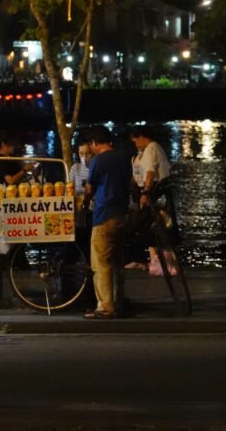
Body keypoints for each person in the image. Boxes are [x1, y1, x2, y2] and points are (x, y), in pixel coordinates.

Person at [83, 126, 132, 319]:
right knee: (117, 262)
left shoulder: (98, 160)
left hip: (104, 215)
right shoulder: (123, 158)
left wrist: (85, 203)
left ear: (94, 143)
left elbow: (89, 188)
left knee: (100, 262)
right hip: (122, 213)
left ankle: (105, 307)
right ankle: (119, 302)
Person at [128, 125, 176, 276]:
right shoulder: (150, 150)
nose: (136, 144)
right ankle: (156, 261)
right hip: (157, 192)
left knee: (151, 225)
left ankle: (159, 261)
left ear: (142, 137)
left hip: (153, 192)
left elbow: (150, 172)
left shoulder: (151, 149)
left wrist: (146, 191)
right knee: (156, 225)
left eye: (136, 141)